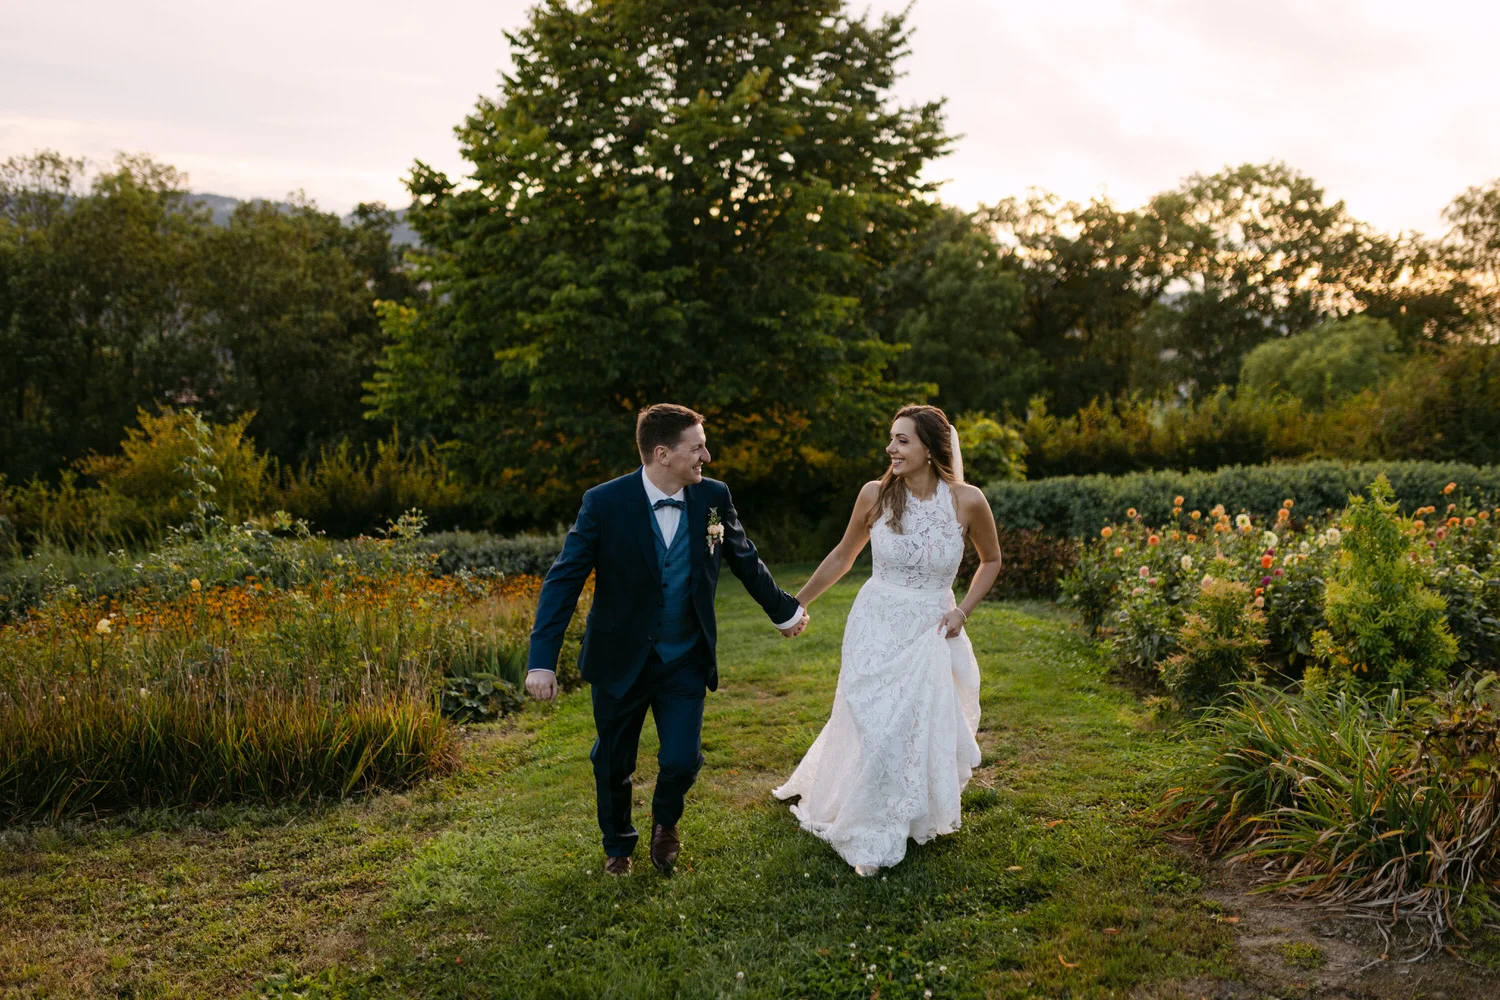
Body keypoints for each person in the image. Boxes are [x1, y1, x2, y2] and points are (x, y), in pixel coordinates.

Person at [525, 403, 809, 876]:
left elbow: (744, 557)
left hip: (685, 657)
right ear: (662, 454)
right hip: (620, 658)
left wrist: (784, 611)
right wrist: (541, 661)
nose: (708, 456)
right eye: (697, 447)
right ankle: (618, 843)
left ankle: (665, 822)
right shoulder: (604, 503)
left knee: (680, 758)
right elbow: (563, 581)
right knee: (613, 761)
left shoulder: (712, 497)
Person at [773, 404, 1002, 875]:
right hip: (875, 623)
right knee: (875, 722)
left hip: (930, 628)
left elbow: (991, 560)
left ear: (931, 448)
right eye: (891, 439)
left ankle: (907, 810)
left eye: (902, 440)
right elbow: (842, 555)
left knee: (910, 723)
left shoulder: (968, 501)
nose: (890, 448)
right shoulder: (875, 495)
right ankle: (868, 812)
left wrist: (962, 609)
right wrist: (796, 602)